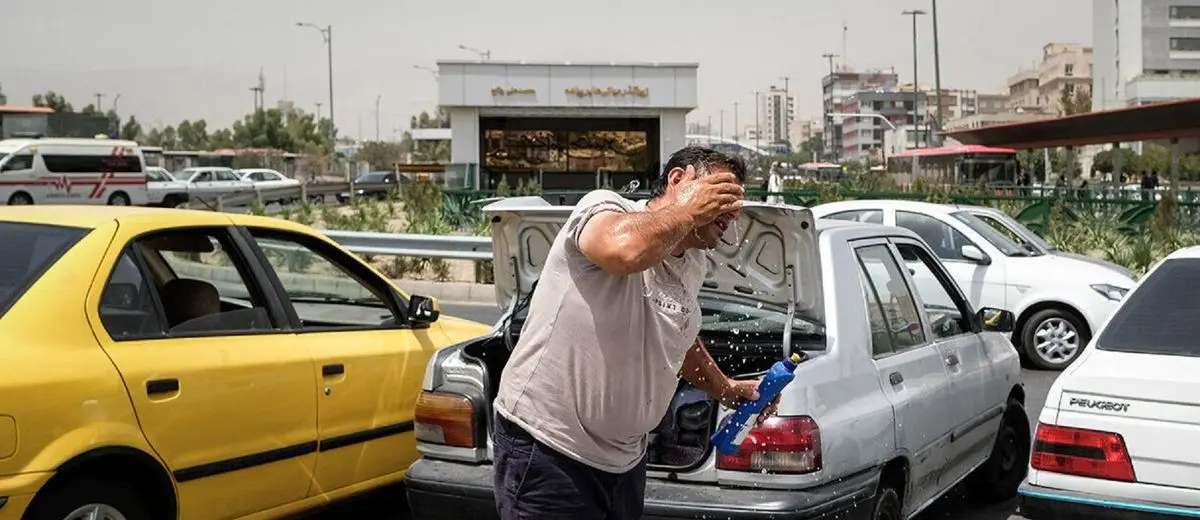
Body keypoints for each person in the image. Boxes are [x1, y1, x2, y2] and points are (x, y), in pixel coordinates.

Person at [492, 146, 774, 520]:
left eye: (736, 200)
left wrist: (726, 389)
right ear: (678, 180)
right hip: (548, 449)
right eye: (720, 193)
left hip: (624, 462)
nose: (733, 211)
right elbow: (623, 252)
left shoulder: (693, 262)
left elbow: (674, 335)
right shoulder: (605, 209)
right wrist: (688, 210)